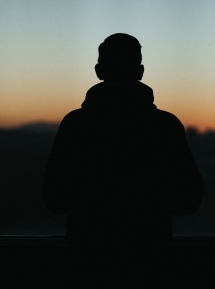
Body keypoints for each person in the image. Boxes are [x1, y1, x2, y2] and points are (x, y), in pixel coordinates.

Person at [43, 33, 204, 250]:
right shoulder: (165, 126)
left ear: (99, 71)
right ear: (140, 72)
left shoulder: (76, 125)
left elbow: (54, 198)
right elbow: (188, 199)